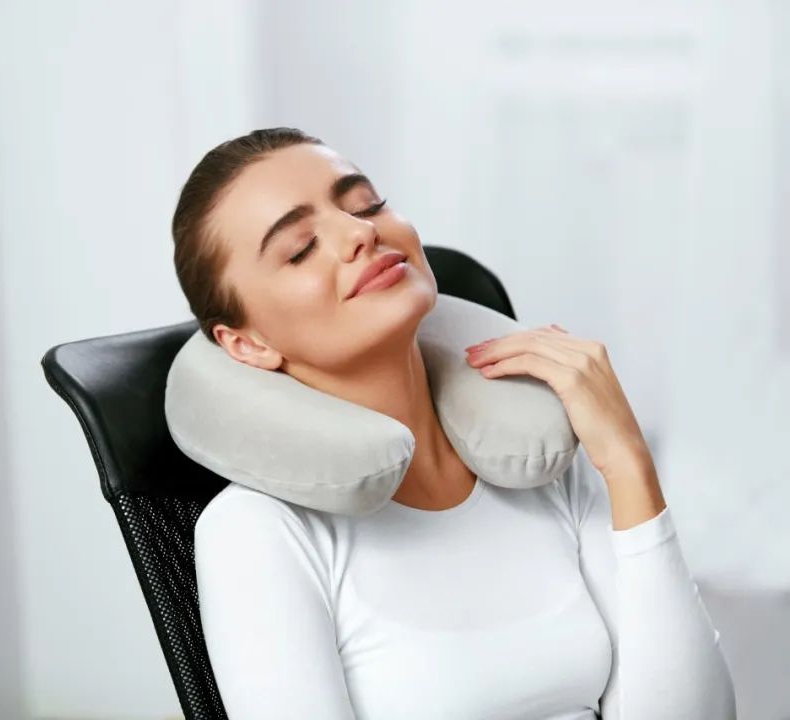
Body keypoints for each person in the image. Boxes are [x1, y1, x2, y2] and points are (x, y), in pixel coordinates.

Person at [170, 127, 736, 719]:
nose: (361, 233)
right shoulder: (258, 530)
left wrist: (625, 458)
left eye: (366, 204)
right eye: (300, 249)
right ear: (248, 344)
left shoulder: (545, 459)